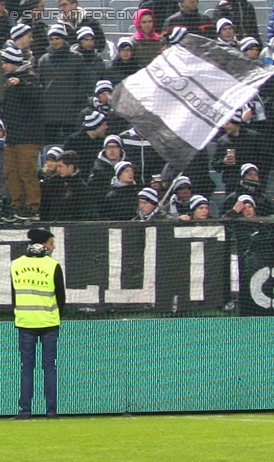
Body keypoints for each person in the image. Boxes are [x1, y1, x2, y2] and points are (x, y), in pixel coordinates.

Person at [11, 228, 65, 419]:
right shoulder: (53, 265)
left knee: (27, 368)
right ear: (44, 245)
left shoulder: (16, 264)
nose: (54, 246)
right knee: (49, 367)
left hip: (25, 322)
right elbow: (61, 298)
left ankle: (25, 411)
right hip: (49, 323)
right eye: (51, 243)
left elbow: (14, 296)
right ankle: (51, 411)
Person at [1, 46, 43, 222]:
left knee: (27, 172)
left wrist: (22, 84)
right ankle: (15, 206)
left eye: (5, 62)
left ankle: (33, 208)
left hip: (28, 138)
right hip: (12, 137)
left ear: (13, 63)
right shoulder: (7, 81)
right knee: (11, 172)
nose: (3, 66)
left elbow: (38, 96)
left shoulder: (30, 78)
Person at [38, 24, 85, 145]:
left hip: (70, 112)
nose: (54, 42)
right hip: (50, 112)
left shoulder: (76, 58)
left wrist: (76, 100)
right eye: (52, 39)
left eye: (57, 38)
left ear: (64, 39)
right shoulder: (43, 60)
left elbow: (84, 82)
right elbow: (41, 83)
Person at [209, 111, 272, 194]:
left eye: (228, 123)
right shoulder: (222, 141)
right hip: (232, 184)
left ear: (236, 123)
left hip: (253, 184)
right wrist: (224, 162)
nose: (225, 126)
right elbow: (215, 165)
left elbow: (266, 160)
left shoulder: (254, 137)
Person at [39, 150, 91, 221]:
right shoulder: (53, 181)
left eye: (61, 166)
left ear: (71, 167)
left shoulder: (82, 188)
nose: (58, 169)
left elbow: (83, 214)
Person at [63, 110, 109, 180]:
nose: (106, 127)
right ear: (95, 126)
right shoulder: (72, 141)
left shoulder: (103, 142)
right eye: (104, 125)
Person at [71, 26, 106, 99]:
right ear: (80, 41)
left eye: (91, 40)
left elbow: (102, 78)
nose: (89, 43)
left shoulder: (98, 59)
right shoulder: (72, 58)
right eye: (86, 40)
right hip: (75, 99)